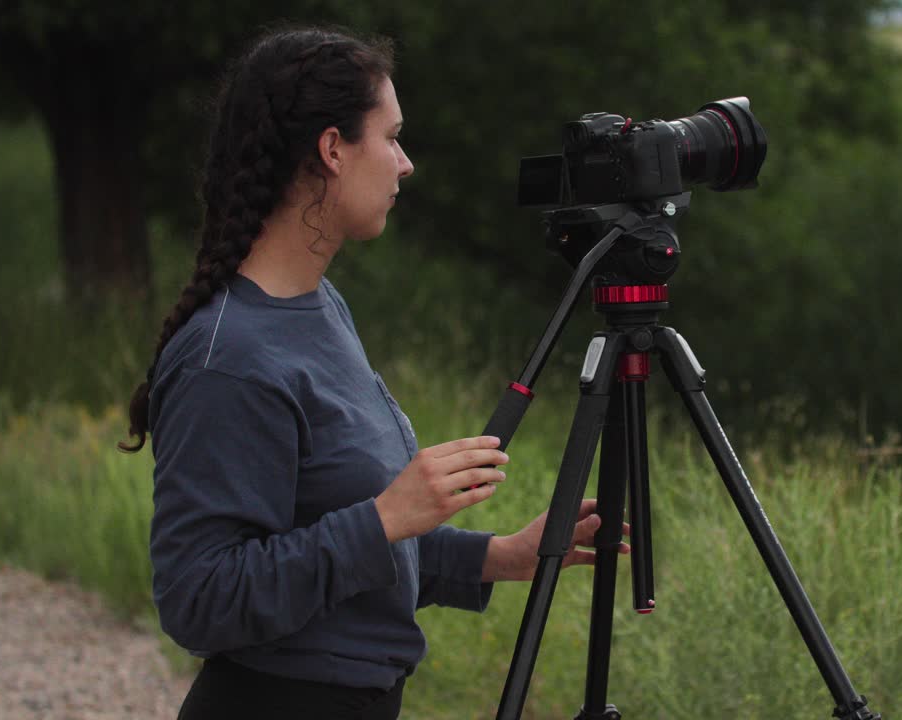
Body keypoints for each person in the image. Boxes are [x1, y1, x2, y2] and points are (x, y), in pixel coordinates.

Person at [116, 24, 628, 720]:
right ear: (332, 150)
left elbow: (348, 546)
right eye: (390, 137)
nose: (405, 163)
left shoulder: (321, 308)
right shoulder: (228, 360)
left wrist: (501, 556)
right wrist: (384, 518)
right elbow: (200, 600)